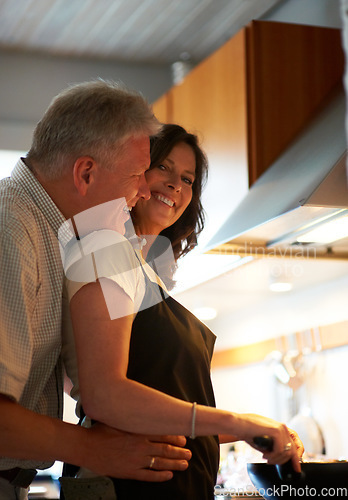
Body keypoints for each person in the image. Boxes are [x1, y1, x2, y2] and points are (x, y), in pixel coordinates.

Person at [63, 124, 304, 500]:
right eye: (164, 168)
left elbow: (166, 407)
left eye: (188, 178)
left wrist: (257, 429)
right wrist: (237, 423)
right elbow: (103, 394)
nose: (176, 184)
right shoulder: (108, 252)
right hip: (127, 486)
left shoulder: (142, 273)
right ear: (137, 173)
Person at [0, 82, 193, 500]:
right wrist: (97, 450)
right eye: (136, 175)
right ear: (85, 173)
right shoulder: (10, 230)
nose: (143, 191)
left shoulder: (50, 233)